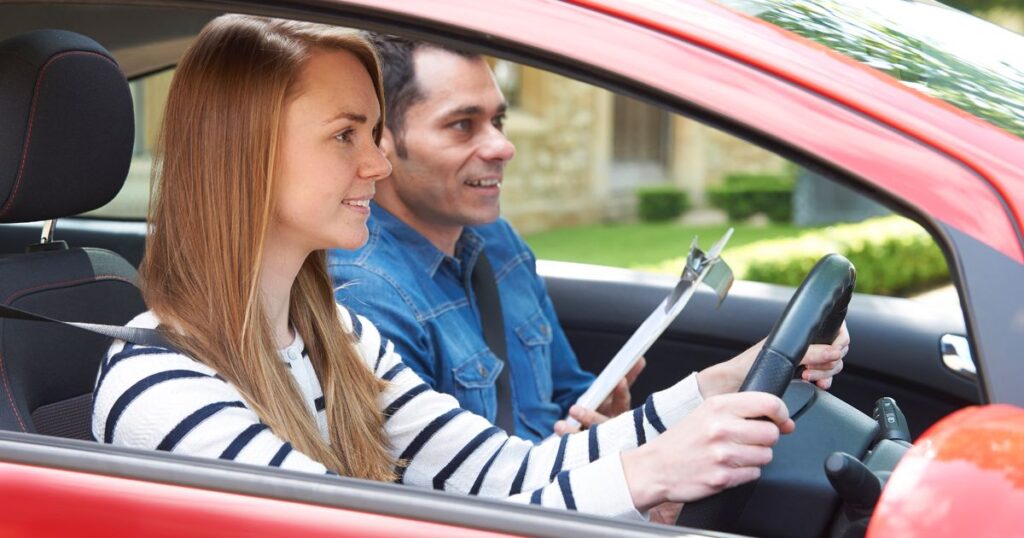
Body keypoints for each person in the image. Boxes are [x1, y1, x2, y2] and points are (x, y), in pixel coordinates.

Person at [92, 15, 848, 522]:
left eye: (377, 132)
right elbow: (358, 533)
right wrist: (646, 476)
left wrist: (711, 391)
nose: (380, 161)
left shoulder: (337, 340)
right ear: (245, 156)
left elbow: (508, 477)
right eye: (346, 135)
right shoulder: (161, 386)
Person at [326, 34, 846, 440]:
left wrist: (605, 418)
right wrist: (708, 394)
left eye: (499, 120)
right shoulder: (365, 293)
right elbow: (453, 491)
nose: (502, 147)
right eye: (463, 125)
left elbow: (565, 392)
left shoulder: (498, 243)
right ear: (382, 143)